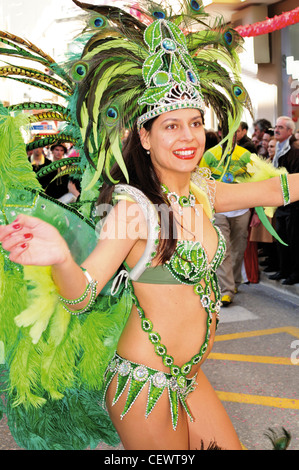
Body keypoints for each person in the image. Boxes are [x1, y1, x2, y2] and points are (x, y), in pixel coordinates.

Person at [0, 0, 296, 451]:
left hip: (189, 377)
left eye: (195, 123)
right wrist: (60, 255)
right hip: (146, 386)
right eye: (171, 126)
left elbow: (277, 189)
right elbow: (81, 295)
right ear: (144, 135)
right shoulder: (134, 208)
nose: (188, 137)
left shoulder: (202, 189)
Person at [200, 143, 252, 306]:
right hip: (219, 210)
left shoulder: (245, 155)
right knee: (224, 249)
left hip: (241, 209)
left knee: (239, 247)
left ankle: (235, 281)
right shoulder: (210, 155)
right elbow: (200, 181)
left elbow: (254, 181)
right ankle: (226, 290)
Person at [269, 116, 299, 285]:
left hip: (293, 204)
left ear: (290, 131)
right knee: (281, 238)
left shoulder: (294, 150)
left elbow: (294, 177)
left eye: (280, 127)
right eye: (276, 126)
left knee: (293, 240)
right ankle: (283, 269)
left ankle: (294, 272)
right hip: (281, 201)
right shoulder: (280, 147)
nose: (276, 129)